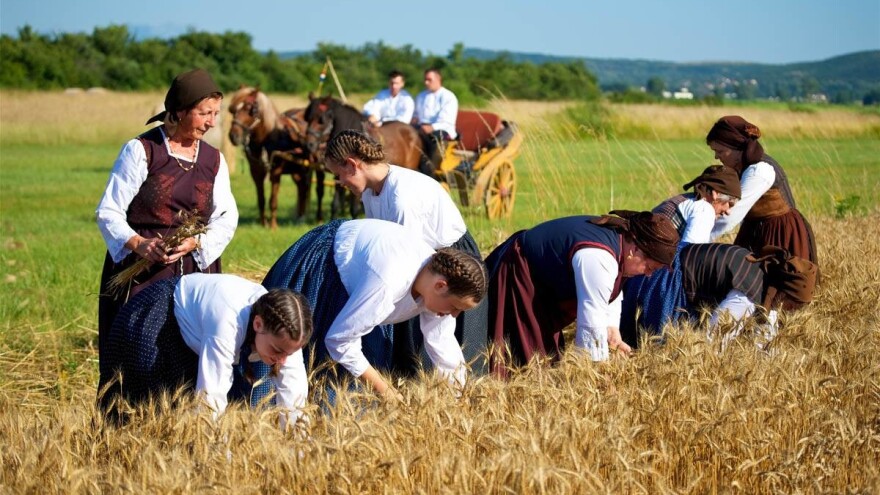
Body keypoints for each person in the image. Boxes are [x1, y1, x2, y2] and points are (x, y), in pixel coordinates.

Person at [96, 68, 239, 363]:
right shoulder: (142, 151)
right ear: (178, 112)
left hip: (195, 271)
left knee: (190, 356)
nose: (212, 123)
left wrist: (197, 242)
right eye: (204, 113)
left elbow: (226, 216)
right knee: (140, 353)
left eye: (216, 113)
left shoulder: (214, 160)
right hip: (143, 272)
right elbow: (109, 211)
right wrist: (139, 244)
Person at [262, 218, 488, 400]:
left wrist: (459, 398)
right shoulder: (387, 282)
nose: (454, 315)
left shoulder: (434, 286)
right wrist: (386, 390)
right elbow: (339, 340)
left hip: (365, 283)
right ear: (441, 286)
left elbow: (442, 344)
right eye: (455, 307)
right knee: (292, 357)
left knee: (360, 392)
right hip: (325, 268)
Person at [323, 130, 488, 375]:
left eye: (339, 174)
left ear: (352, 164)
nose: (341, 182)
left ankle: (453, 388)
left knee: (438, 332)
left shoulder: (403, 198)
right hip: (416, 264)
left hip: (448, 261)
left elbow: (408, 257)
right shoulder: (371, 193)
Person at [98, 273, 312, 428]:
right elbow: (211, 396)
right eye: (277, 351)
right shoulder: (227, 321)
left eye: (288, 354)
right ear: (258, 324)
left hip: (196, 339)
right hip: (158, 324)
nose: (281, 361)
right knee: (137, 413)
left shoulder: (286, 331)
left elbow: (294, 391)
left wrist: (299, 453)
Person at [485, 211, 680, 378]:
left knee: (544, 361)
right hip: (519, 276)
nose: (648, 274)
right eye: (650, 267)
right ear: (636, 249)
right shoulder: (599, 258)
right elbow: (590, 326)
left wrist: (612, 331)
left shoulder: (622, 246)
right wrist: (599, 376)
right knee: (525, 362)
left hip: (544, 288)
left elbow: (610, 292)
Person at [620, 244, 817, 350]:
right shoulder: (748, 295)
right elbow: (715, 337)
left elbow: (766, 334)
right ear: (784, 292)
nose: (792, 311)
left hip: (679, 267)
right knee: (655, 347)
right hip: (669, 279)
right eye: (793, 305)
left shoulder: (767, 276)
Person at [706, 115, 817, 265]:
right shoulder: (741, 166)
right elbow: (727, 201)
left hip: (778, 235)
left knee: (774, 284)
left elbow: (730, 214)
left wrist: (696, 239)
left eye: (720, 151)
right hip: (755, 230)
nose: (716, 157)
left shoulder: (759, 171)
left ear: (736, 148)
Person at [652, 164, 742, 244]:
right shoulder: (705, 210)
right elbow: (690, 255)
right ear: (716, 194)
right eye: (730, 204)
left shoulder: (685, 199)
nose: (728, 211)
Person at [412, 68, 458, 175]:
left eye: (429, 80)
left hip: (442, 130)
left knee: (434, 138)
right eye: (425, 80)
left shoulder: (448, 97)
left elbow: (446, 120)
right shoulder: (421, 96)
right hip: (422, 128)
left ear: (438, 79)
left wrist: (431, 127)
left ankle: (429, 171)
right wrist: (414, 121)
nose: (426, 82)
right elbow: (416, 115)